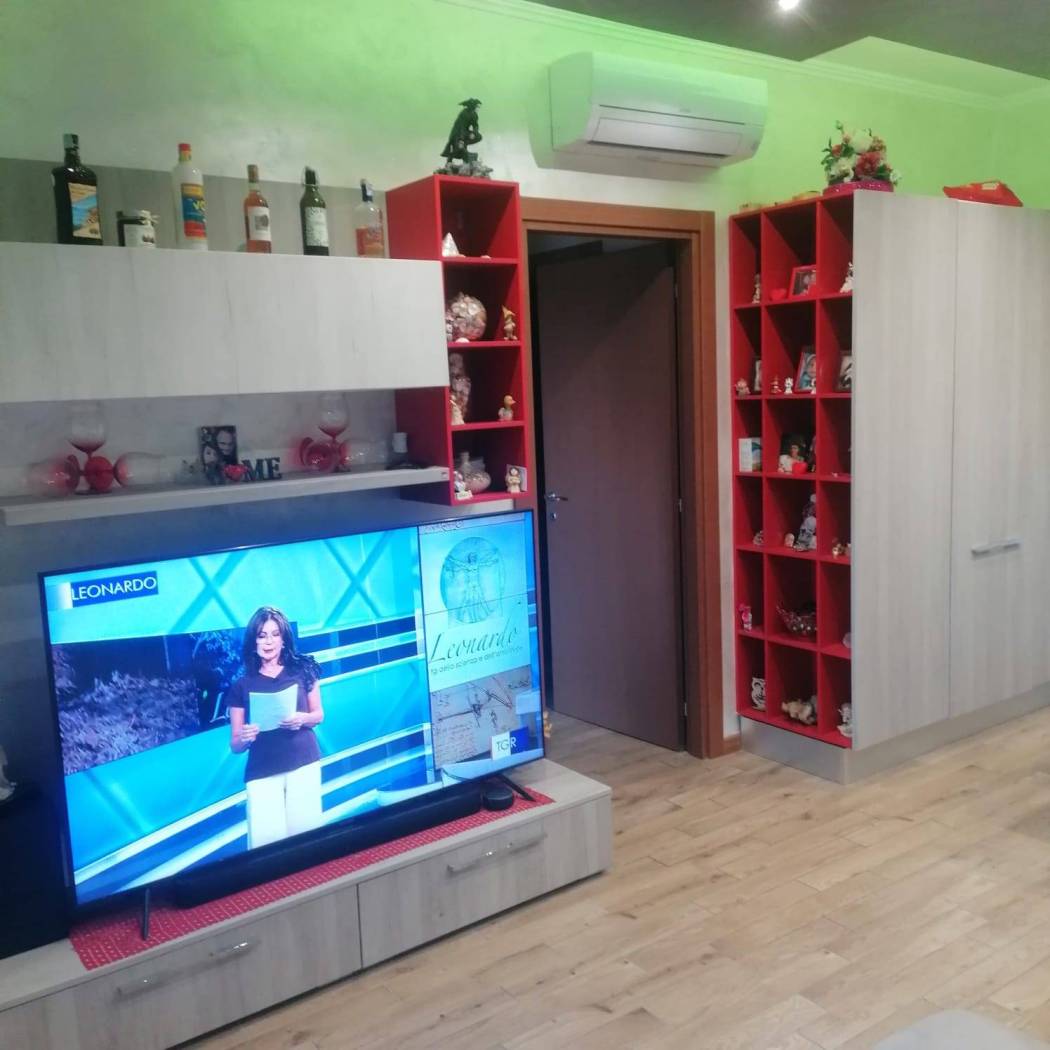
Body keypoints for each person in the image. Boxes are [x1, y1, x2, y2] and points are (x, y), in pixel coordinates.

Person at [226, 606, 325, 849]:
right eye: (262, 636)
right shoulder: (241, 685)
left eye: (274, 634)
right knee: (266, 846)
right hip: (263, 769)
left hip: (303, 762)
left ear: (283, 639)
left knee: (307, 842)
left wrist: (301, 719)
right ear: (254, 642)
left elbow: (318, 715)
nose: (268, 641)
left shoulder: (303, 671)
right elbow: (235, 745)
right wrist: (246, 736)